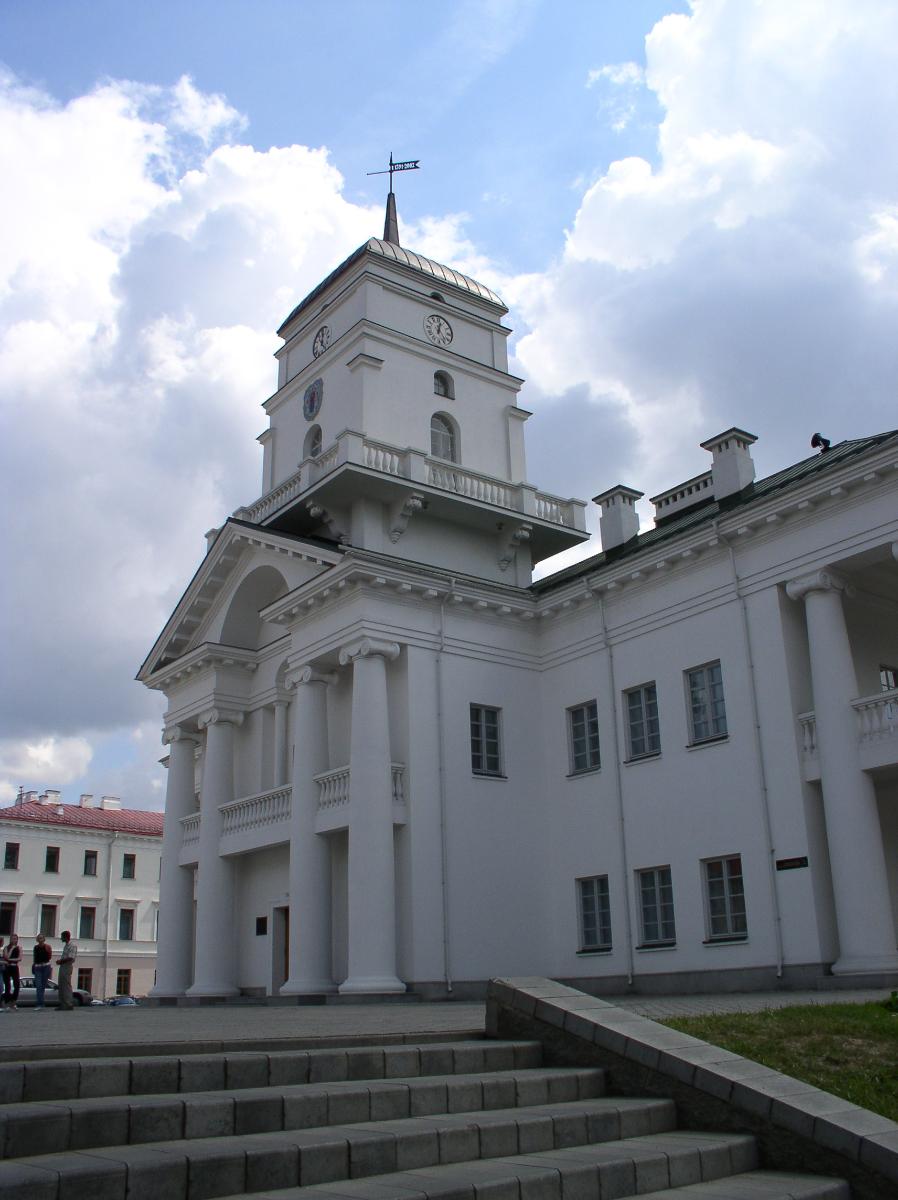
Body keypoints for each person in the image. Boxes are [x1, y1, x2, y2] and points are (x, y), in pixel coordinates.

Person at [56, 930, 77, 1010]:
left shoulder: (72, 945)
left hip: (67, 966)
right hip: (63, 966)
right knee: (61, 984)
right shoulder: (66, 945)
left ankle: (68, 1003)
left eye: (62, 937)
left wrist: (61, 961)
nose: (61, 938)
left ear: (66, 937)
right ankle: (63, 1003)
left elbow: (71, 957)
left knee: (66, 985)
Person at [32, 934, 52, 1010]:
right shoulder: (36, 947)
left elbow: (49, 956)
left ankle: (41, 1003)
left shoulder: (47, 947)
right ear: (37, 940)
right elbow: (35, 957)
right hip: (38, 967)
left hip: (46, 966)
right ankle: (39, 1004)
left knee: (42, 986)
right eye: (39, 938)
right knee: (38, 986)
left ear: (44, 939)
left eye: (42, 938)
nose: (40, 939)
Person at [3, 933, 21, 1009]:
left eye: (15, 939)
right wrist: (12, 949)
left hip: (14, 967)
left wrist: (10, 960)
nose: (14, 940)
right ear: (10, 940)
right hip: (7, 968)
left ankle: (13, 1002)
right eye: (13, 939)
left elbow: (19, 958)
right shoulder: (6, 948)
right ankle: (7, 1002)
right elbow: (6, 957)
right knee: (7, 986)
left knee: (17, 985)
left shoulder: (19, 948)